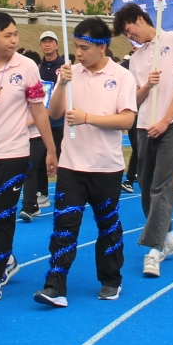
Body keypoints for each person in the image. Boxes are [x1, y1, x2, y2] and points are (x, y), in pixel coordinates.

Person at [36, 17, 137, 307]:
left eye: (84, 47)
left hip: (106, 167)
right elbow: (54, 113)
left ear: (102, 47)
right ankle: (55, 285)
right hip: (71, 166)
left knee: (108, 226)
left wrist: (87, 118)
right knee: (64, 226)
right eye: (76, 46)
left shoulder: (122, 76)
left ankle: (110, 280)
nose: (78, 53)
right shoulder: (70, 73)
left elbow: (127, 120)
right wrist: (62, 84)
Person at [0, 11, 52, 302]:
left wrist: (51, 149)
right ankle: (6, 258)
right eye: (8, 35)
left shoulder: (27, 67)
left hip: (14, 153)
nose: (14, 40)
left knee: (2, 215)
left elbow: (38, 109)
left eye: (15, 34)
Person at [112, 3, 173, 279]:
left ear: (140, 19)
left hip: (171, 125)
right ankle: (168, 237)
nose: (130, 36)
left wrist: (166, 120)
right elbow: (133, 100)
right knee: (146, 188)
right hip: (144, 127)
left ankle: (154, 250)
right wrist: (147, 85)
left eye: (129, 29)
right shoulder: (135, 59)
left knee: (162, 187)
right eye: (126, 34)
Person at [20, 29, 65, 223]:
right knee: (37, 162)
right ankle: (42, 193)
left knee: (61, 158)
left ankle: (64, 194)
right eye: (44, 42)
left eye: (50, 41)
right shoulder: (35, 67)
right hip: (39, 122)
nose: (47, 45)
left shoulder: (63, 66)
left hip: (58, 121)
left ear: (56, 44)